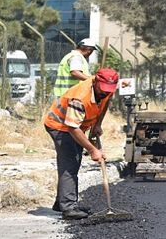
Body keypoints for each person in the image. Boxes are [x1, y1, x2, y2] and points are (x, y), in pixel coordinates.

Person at [43, 68, 119, 220]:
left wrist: (98, 124)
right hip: (60, 126)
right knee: (70, 163)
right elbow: (72, 127)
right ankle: (68, 207)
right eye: (103, 89)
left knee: (73, 162)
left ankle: (62, 202)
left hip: (76, 126)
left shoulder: (107, 89)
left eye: (108, 90)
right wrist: (92, 150)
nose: (105, 92)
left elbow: (106, 101)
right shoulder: (80, 97)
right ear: (96, 81)